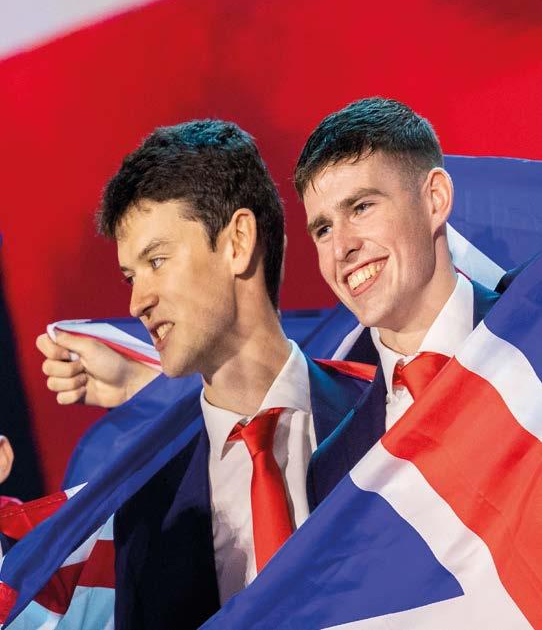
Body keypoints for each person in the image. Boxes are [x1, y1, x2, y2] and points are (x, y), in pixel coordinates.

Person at [37, 119, 369, 629]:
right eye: (130, 276)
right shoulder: (144, 511)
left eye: (157, 261)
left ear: (238, 241)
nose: (137, 301)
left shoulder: (385, 414)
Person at [294, 97, 502, 503]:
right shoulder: (334, 470)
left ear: (435, 199)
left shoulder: (530, 337)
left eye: (361, 207)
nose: (341, 248)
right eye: (323, 230)